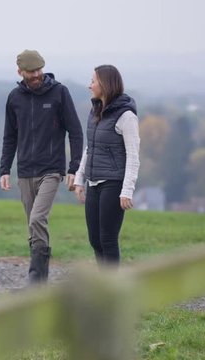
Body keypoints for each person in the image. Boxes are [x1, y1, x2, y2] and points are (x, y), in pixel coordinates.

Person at [0, 49, 83, 284]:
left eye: (39, 70)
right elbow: (10, 137)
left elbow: (75, 132)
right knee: (32, 227)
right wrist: (5, 169)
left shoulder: (59, 93)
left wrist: (73, 168)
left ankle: (35, 279)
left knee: (37, 219)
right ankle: (39, 285)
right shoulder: (14, 98)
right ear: (20, 72)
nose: (36, 75)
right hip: (25, 171)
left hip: (51, 169)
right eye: (31, 72)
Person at [72, 64, 140, 266]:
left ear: (105, 83)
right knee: (95, 240)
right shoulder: (95, 112)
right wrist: (79, 178)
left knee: (108, 240)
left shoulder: (126, 116)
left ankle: (111, 291)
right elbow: (89, 148)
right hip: (93, 182)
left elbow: (133, 156)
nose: (89, 85)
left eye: (93, 81)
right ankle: (104, 287)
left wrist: (127, 190)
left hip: (113, 183)